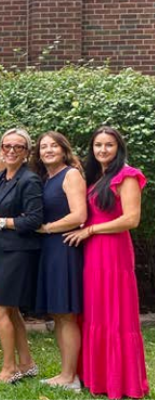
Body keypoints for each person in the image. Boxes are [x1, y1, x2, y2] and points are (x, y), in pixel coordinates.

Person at [64, 126, 149, 399]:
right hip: (92, 254)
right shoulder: (95, 177)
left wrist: (90, 230)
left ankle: (120, 381)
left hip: (113, 252)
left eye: (108, 145)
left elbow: (131, 219)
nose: (102, 150)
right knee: (94, 312)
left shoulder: (127, 176)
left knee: (115, 314)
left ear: (118, 147)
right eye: (98, 145)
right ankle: (95, 376)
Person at [0, 128, 43, 384]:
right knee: (11, 310)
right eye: (6, 146)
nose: (11, 151)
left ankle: (9, 368)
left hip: (18, 252)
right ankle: (27, 363)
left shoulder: (29, 180)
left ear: (26, 152)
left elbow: (35, 219)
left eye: (18, 147)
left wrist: (0, 222)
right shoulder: (2, 176)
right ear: (1, 149)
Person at [29, 131, 86, 390]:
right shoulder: (45, 178)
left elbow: (79, 215)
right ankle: (66, 373)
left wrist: (48, 228)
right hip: (49, 249)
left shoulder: (70, 175)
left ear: (64, 150)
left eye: (54, 146)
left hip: (63, 248)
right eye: (43, 147)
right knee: (58, 314)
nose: (48, 150)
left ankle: (70, 376)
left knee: (66, 314)